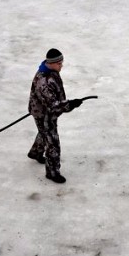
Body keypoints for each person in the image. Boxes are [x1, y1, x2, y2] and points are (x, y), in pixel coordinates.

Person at [27, 48, 82, 184]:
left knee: (43, 133)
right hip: (44, 114)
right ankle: (52, 173)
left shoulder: (50, 71)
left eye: (61, 63)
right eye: (59, 63)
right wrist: (70, 104)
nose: (61, 66)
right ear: (50, 63)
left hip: (45, 111)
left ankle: (36, 153)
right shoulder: (43, 82)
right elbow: (53, 105)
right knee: (52, 143)